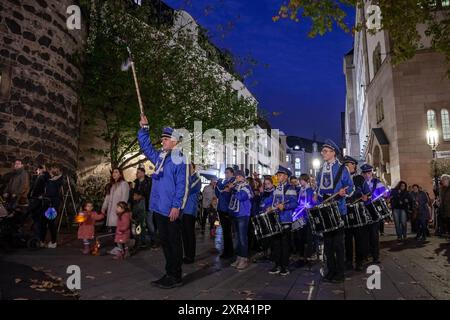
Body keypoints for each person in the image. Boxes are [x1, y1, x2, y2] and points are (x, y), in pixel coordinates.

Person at [138, 115, 188, 289]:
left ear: (174, 141)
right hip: (159, 207)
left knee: (174, 242)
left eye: (165, 139)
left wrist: (176, 206)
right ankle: (169, 273)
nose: (162, 142)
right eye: (162, 139)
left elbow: (182, 185)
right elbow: (146, 147)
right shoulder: (161, 157)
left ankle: (176, 276)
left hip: (170, 209)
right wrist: (145, 129)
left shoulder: (180, 159)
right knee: (165, 242)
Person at [314, 140, 353, 283]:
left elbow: (351, 186)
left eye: (325, 151)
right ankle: (330, 271)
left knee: (338, 244)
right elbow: (318, 186)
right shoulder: (321, 169)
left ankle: (340, 273)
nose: (322, 153)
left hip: (338, 209)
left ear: (333, 153)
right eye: (322, 151)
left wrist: (344, 192)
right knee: (328, 244)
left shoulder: (343, 169)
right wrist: (316, 194)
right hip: (325, 210)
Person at [263, 166, 298, 276]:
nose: (278, 177)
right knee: (276, 244)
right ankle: (277, 265)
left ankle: (285, 266)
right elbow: (269, 201)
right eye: (277, 175)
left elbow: (294, 203)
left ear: (286, 177)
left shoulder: (290, 188)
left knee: (285, 244)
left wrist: (285, 207)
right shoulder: (276, 188)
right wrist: (266, 207)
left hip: (285, 219)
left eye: (281, 175)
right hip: (276, 219)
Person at [360, 164, 387, 264]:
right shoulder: (360, 184)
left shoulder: (377, 182)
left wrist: (385, 194)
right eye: (365, 173)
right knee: (364, 236)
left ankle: (376, 256)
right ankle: (365, 255)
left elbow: (385, 194)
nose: (367, 175)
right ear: (362, 174)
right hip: (363, 211)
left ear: (371, 172)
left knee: (374, 235)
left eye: (369, 173)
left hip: (374, 211)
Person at [343, 156, 366, 271]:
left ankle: (359, 261)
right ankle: (348, 261)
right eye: (345, 165)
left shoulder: (359, 178)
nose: (347, 166)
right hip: (346, 210)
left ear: (354, 165)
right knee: (347, 238)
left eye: (349, 164)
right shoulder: (342, 179)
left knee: (359, 238)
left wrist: (365, 196)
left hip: (357, 210)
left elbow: (367, 192)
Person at [228, 170, 253, 270]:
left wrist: (233, 188)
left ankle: (244, 258)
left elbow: (241, 197)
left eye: (238, 177)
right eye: (236, 177)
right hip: (236, 215)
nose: (236, 178)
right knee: (237, 237)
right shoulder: (237, 186)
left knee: (242, 238)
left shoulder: (246, 187)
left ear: (243, 177)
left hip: (243, 215)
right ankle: (239, 257)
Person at [294, 173, 315, 268]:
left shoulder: (310, 190)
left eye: (301, 180)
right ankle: (302, 257)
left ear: (305, 180)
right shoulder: (300, 190)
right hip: (300, 216)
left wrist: (307, 207)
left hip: (307, 217)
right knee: (300, 238)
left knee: (309, 238)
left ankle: (309, 258)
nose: (299, 181)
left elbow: (312, 203)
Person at [181, 164, 201, 264]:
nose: (188, 169)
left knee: (189, 234)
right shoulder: (186, 178)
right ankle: (187, 255)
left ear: (193, 168)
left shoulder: (197, 178)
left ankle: (191, 256)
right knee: (184, 234)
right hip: (183, 210)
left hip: (190, 210)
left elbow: (187, 189)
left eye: (189, 167)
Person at [40, 164, 63, 249]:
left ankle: (53, 242)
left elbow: (52, 192)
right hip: (47, 203)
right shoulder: (51, 180)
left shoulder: (57, 181)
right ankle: (42, 241)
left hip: (52, 205)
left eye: (51, 170)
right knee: (43, 223)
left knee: (51, 223)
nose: (49, 172)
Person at [215, 167, 235, 259]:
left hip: (227, 210)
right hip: (221, 209)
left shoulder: (232, 182)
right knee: (225, 232)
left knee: (227, 232)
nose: (225, 174)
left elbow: (226, 194)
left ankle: (229, 252)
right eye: (225, 172)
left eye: (227, 172)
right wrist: (219, 187)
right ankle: (227, 251)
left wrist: (220, 186)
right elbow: (218, 194)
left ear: (232, 173)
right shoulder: (224, 183)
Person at [101, 168, 130, 232]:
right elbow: (107, 198)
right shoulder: (112, 185)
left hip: (119, 211)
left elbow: (124, 197)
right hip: (111, 211)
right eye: (113, 172)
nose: (114, 174)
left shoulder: (124, 184)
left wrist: (121, 209)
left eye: (116, 172)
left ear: (120, 174)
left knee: (118, 229)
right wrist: (104, 207)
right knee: (112, 229)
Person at [133, 167, 155, 247]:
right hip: (139, 206)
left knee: (149, 223)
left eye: (138, 172)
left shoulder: (148, 181)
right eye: (137, 172)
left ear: (143, 173)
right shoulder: (137, 182)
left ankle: (153, 241)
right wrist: (136, 196)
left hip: (148, 205)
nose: (137, 174)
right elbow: (135, 192)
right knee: (140, 224)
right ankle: (142, 241)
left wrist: (140, 196)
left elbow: (148, 193)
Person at [28, 165, 49, 240]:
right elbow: (33, 188)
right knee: (35, 218)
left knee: (38, 219)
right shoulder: (38, 177)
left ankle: (38, 238)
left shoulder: (44, 178)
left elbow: (46, 189)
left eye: (37, 170)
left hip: (39, 201)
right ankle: (36, 236)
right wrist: (30, 196)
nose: (36, 171)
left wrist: (41, 196)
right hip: (34, 199)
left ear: (41, 170)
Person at [439, 175, 450, 240]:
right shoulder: (442, 189)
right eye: (442, 180)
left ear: (448, 180)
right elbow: (441, 199)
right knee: (448, 224)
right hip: (445, 210)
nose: (443, 181)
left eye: (444, 180)